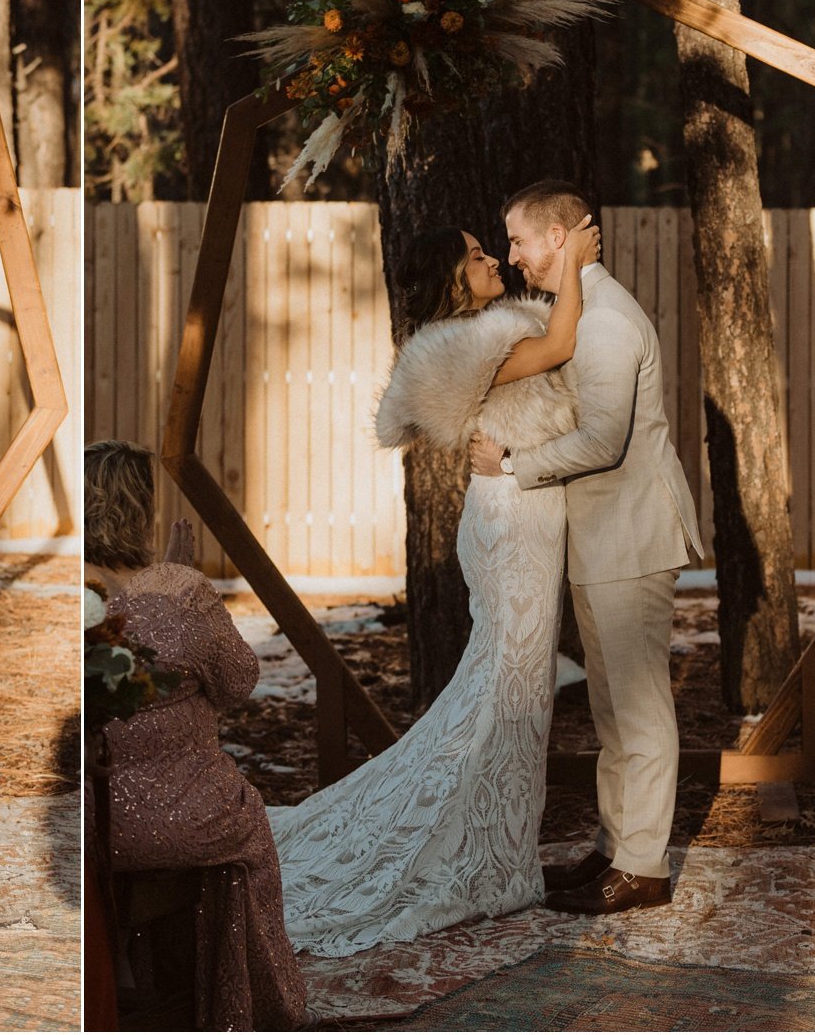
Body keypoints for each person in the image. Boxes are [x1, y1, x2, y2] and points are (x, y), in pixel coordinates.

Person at [266, 211, 602, 958]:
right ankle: (486, 856)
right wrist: (573, 260)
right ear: (456, 280)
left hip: (523, 514)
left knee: (513, 688)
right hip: (511, 525)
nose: (492, 260)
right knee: (507, 686)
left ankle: (500, 847)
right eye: (479, 255)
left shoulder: (492, 331)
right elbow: (561, 342)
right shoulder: (473, 344)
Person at [470, 180, 703, 915]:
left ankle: (644, 865)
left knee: (638, 707)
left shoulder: (604, 322)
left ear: (560, 238)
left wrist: (510, 464)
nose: (512, 255)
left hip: (630, 533)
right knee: (611, 707)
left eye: (519, 239)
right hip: (603, 537)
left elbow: (602, 441)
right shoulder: (580, 312)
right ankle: (614, 846)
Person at [87, 440, 306, 1032]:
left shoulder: (74, 598)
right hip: (187, 821)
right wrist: (179, 579)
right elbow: (240, 680)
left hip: (85, 828)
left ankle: (135, 970)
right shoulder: (180, 593)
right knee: (251, 823)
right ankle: (246, 1001)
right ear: (141, 510)